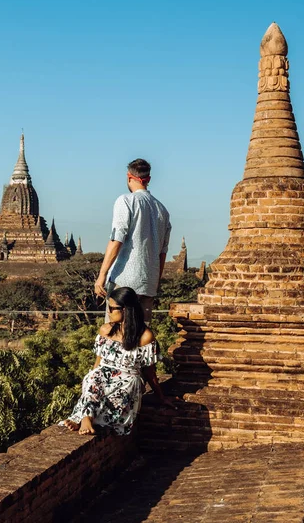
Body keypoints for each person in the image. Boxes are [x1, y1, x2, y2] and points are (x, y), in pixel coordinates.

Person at [61, 287, 167, 436]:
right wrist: (92, 379)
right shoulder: (105, 330)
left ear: (126, 310)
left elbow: (150, 373)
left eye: (112, 308)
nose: (108, 312)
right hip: (104, 373)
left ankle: (84, 418)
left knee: (117, 398)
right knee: (93, 378)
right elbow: (98, 363)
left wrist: (160, 397)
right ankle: (85, 418)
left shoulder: (145, 336)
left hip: (128, 379)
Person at [94, 158, 171, 324]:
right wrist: (155, 282)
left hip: (124, 279)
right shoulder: (162, 210)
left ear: (129, 177)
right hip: (148, 281)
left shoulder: (126, 201)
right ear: (148, 179)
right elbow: (162, 252)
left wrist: (102, 275)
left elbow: (116, 240)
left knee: (115, 333)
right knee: (142, 335)